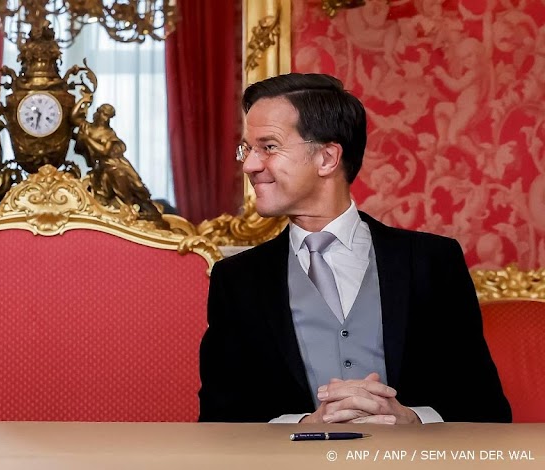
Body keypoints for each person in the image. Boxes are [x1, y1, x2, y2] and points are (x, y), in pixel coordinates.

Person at [198, 73, 510, 424]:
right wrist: (301, 426)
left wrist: (414, 420)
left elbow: (486, 409)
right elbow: (219, 419)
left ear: (327, 158)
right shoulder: (236, 280)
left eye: (268, 147)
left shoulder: (433, 263)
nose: (250, 165)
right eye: (248, 149)